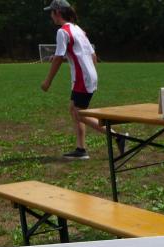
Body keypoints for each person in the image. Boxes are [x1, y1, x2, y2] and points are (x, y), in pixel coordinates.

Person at [40, 0, 124, 160]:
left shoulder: (62, 31)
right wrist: (91, 75)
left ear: (57, 13)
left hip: (82, 78)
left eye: (51, 12)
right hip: (88, 76)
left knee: (79, 113)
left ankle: (118, 137)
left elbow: (58, 58)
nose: (50, 16)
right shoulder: (78, 29)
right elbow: (91, 55)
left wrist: (47, 81)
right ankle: (81, 149)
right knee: (74, 110)